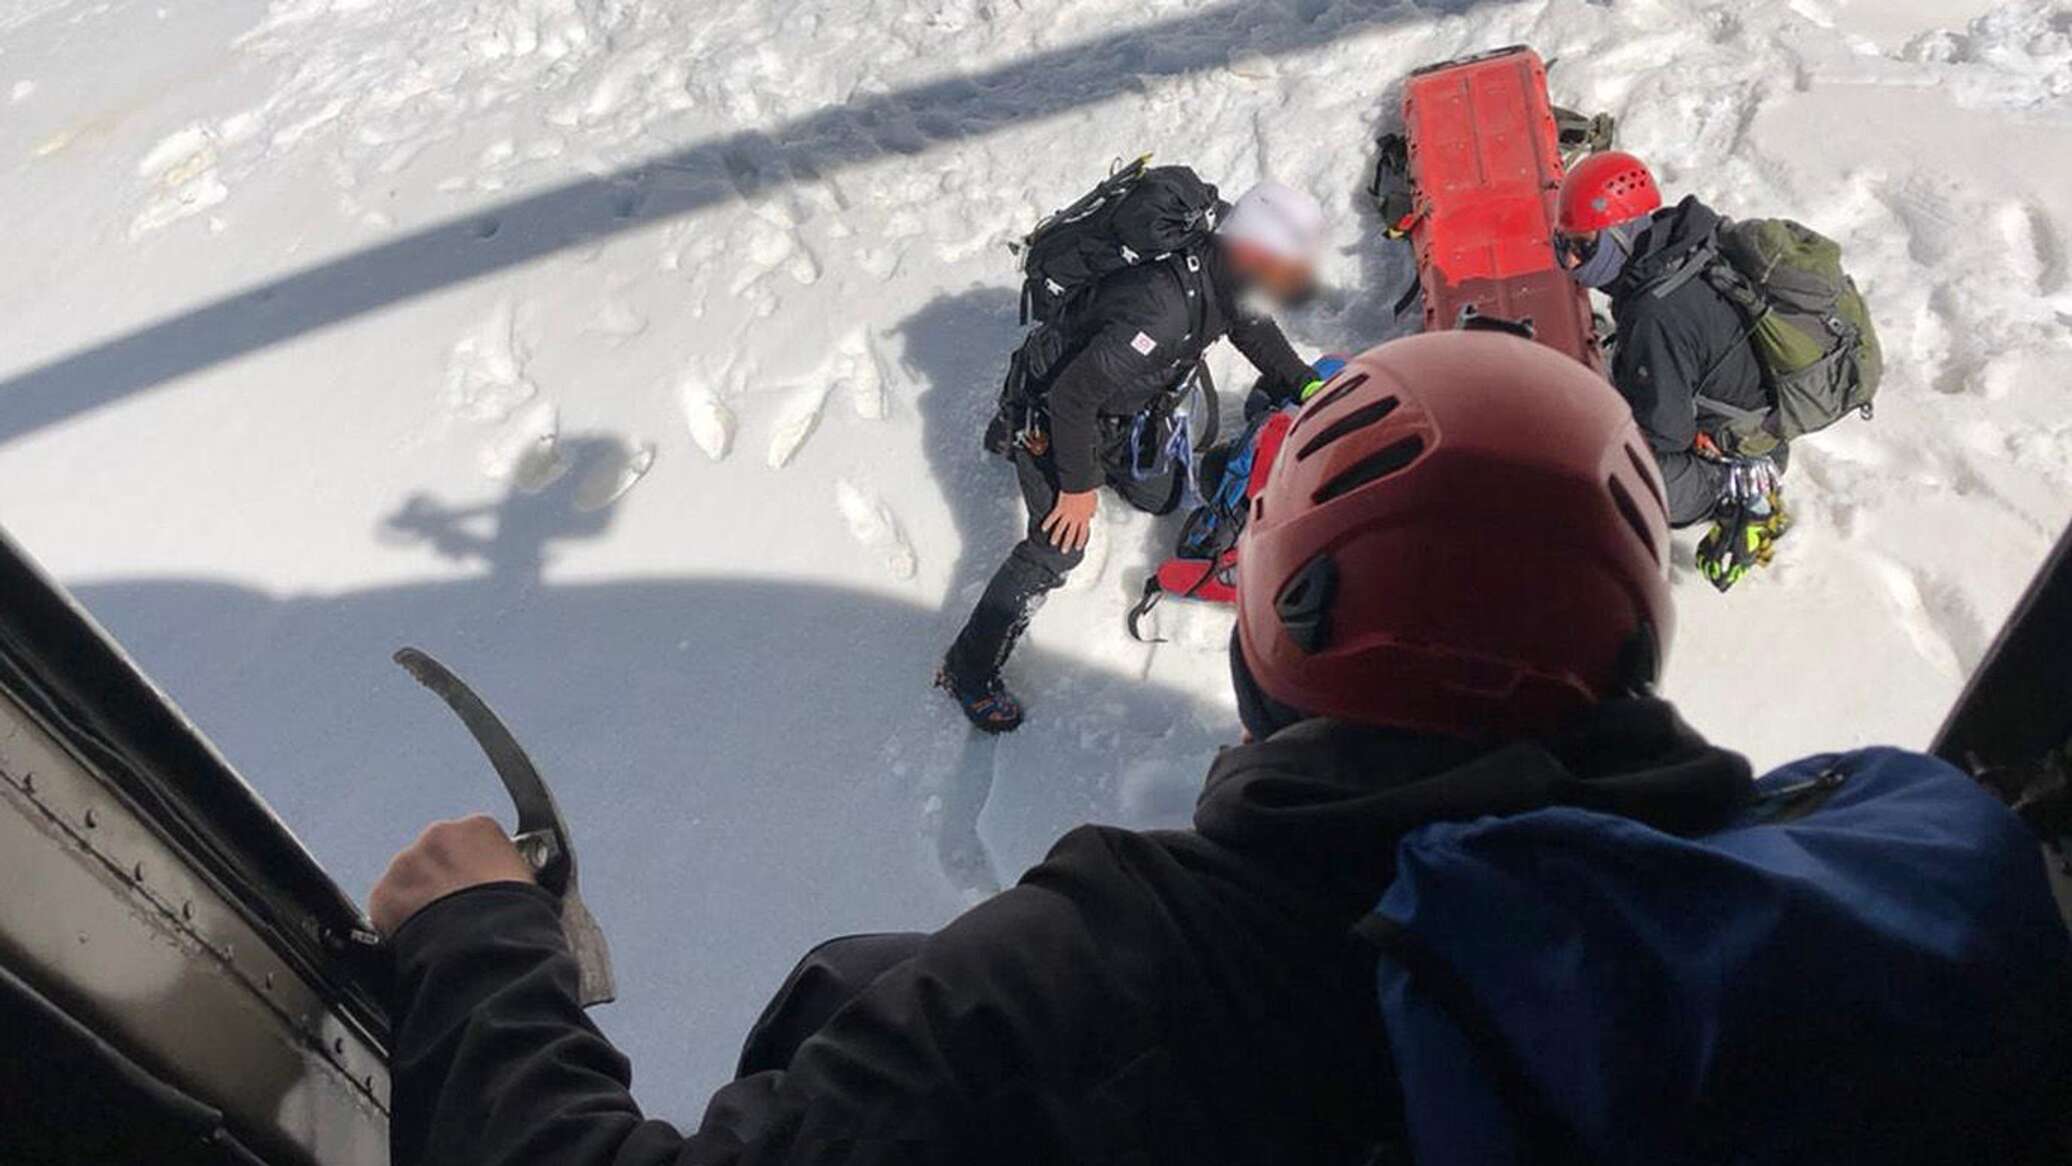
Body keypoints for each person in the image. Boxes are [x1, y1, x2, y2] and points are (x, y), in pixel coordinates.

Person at [372, 333, 2071, 1166]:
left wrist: (475, 948)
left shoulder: (1112, 983)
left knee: (851, 981)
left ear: (1279, 632)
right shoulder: (1857, 908)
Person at [937, 177, 1335, 733]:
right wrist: (1077, 490)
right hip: (1060, 412)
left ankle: (1044, 448)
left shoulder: (1228, 272)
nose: (1292, 277)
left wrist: (1308, 388)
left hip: (1125, 407)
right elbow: (1071, 397)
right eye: (1286, 263)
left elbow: (1253, 330)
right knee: (1058, 547)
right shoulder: (1162, 312)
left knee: (1162, 494)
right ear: (1252, 249)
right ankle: (968, 669)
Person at [1554, 151, 1790, 580]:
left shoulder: (1656, 311)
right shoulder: (1679, 250)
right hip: (1753, 423)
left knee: (1600, 464)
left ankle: (1736, 498)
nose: (1569, 260)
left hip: (1738, 456)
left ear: (1622, 235)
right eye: (1563, 244)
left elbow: (1666, 433)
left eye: (1582, 245)